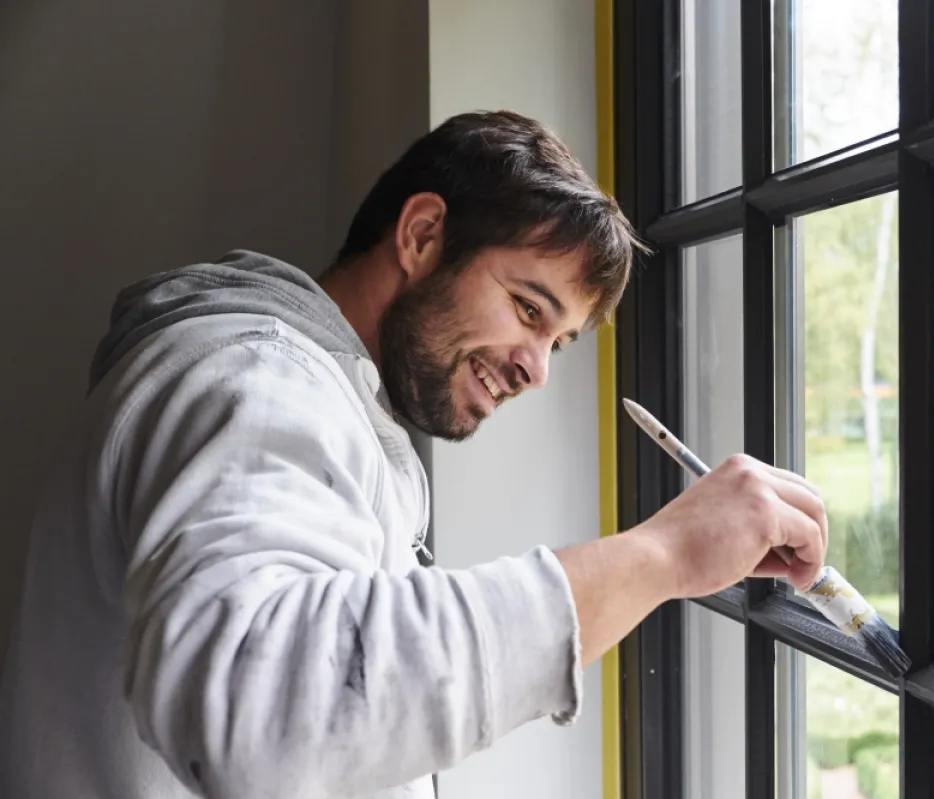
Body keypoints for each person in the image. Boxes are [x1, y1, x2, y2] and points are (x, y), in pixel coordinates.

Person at [0, 110, 828, 799]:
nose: (536, 368)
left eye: (560, 343)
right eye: (528, 308)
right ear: (423, 234)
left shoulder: (307, 395)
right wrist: (665, 552)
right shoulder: (254, 381)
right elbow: (263, 711)